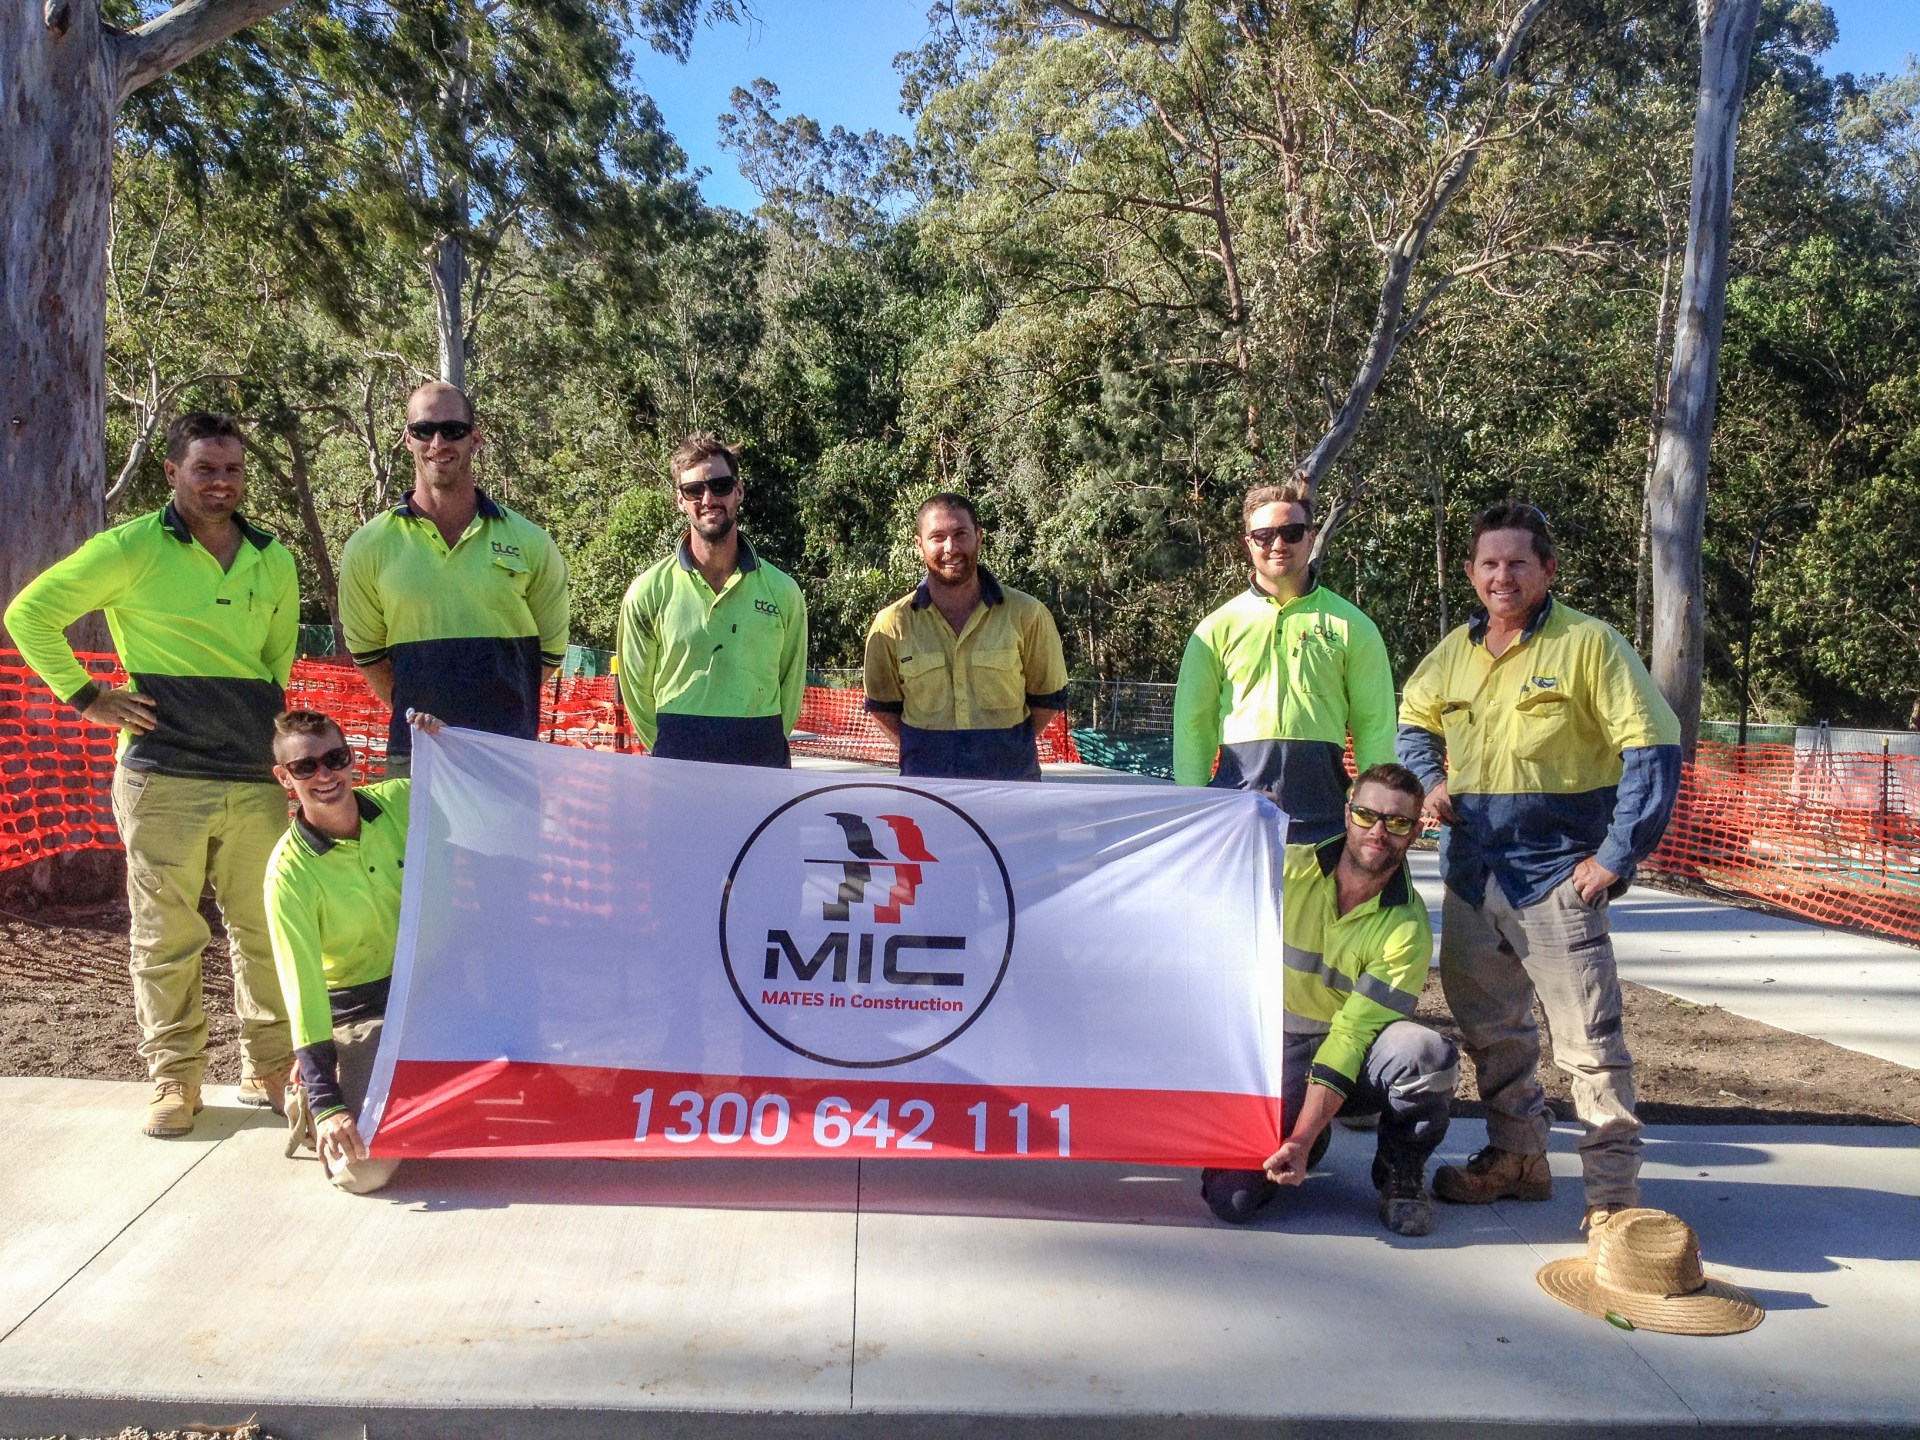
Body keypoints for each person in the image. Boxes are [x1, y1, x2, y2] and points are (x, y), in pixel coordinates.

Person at [4, 412, 297, 1136]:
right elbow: (30, 614)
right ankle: (174, 1080)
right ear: (172, 473)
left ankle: (269, 1069)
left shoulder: (273, 557)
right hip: (162, 776)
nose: (221, 482)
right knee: (166, 937)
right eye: (205, 469)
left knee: (266, 932)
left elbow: (275, 668)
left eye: (231, 470)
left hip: (253, 778)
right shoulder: (130, 548)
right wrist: (87, 697)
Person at [1397, 501, 1681, 1234]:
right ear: (1470, 572)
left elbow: (1652, 748)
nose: (1503, 576)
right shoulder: (1452, 654)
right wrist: (1428, 780)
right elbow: (1414, 721)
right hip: (1471, 877)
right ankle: (1518, 1158)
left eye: (1518, 562)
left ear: (1548, 570)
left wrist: (1616, 857)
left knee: (1590, 1047)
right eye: (1489, 563)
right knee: (1493, 1032)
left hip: (1557, 878)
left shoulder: (1590, 645)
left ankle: (1614, 1203)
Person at [1200, 765, 1459, 1236]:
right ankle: (1307, 1136)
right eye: (1366, 814)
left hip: (1352, 1060)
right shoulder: (1287, 867)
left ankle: (1400, 1175)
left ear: (1416, 830)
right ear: (1347, 814)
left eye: (1397, 822)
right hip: (1273, 1055)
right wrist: (1238, 823)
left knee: (1425, 1056)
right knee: (1231, 1200)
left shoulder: (1407, 926)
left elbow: (1351, 1034)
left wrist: (1298, 1137)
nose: (1378, 831)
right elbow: (1202, 881)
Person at [338, 381, 569, 778]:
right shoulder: (368, 546)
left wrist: (497, 709)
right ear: (407, 439)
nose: (439, 442)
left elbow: (547, 654)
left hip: (507, 758)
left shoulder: (531, 542)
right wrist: (422, 712)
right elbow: (369, 656)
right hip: (415, 758)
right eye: (425, 430)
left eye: (454, 430)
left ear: (475, 438)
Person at [264, 708, 441, 1194]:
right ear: (285, 778)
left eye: (334, 758)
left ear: (352, 759)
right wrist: (327, 1104)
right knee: (364, 1173)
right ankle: (317, 1093)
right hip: (363, 1013)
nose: (324, 775)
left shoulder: (400, 801)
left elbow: (481, 798)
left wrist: (444, 747)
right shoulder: (288, 876)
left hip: (435, 992)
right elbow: (303, 996)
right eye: (305, 767)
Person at [1173, 482, 1397, 843]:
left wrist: (1374, 811)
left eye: (1291, 533)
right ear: (1249, 543)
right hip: (1235, 818)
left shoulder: (1354, 626)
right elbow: (1192, 724)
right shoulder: (1215, 628)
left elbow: (1375, 724)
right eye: (1264, 535)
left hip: (1327, 822)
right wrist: (1193, 803)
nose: (1278, 545)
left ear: (1310, 537)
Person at [616, 434, 808, 766]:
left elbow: (790, 686)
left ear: (739, 491)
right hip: (678, 760)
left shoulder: (783, 591)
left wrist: (765, 737)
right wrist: (675, 745)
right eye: (694, 490)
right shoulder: (647, 592)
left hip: (761, 757)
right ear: (680, 500)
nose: (708, 498)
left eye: (720, 485)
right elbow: (637, 694)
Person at [862, 494, 1069, 781]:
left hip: (1013, 789)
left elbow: (1048, 699)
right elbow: (882, 706)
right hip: (928, 792)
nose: (951, 548)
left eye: (961, 534)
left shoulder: (1028, 615)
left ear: (979, 537)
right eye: (937, 537)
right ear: (919, 544)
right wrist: (925, 752)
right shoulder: (892, 624)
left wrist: (1005, 750)